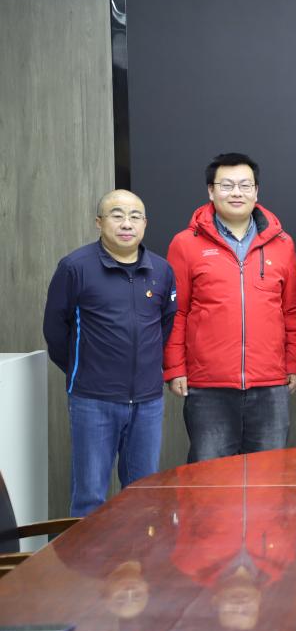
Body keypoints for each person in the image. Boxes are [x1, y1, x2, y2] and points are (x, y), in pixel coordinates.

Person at [164, 153, 296, 462]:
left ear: (257, 191)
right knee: (210, 478)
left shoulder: (282, 244)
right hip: (208, 386)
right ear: (211, 191)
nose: (236, 193)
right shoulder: (185, 244)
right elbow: (177, 312)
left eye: (245, 185)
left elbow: (292, 310)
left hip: (270, 384)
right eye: (226, 185)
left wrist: (294, 363)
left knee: (268, 476)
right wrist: (175, 368)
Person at [43, 190, 176, 516]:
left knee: (144, 496)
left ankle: (138, 550)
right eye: (117, 215)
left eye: (134, 216)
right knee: (90, 497)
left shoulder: (161, 270)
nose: (126, 224)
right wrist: (85, 369)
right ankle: (87, 554)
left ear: (145, 223)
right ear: (99, 222)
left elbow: (165, 326)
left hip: (147, 401)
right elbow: (55, 331)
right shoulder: (75, 267)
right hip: (93, 399)